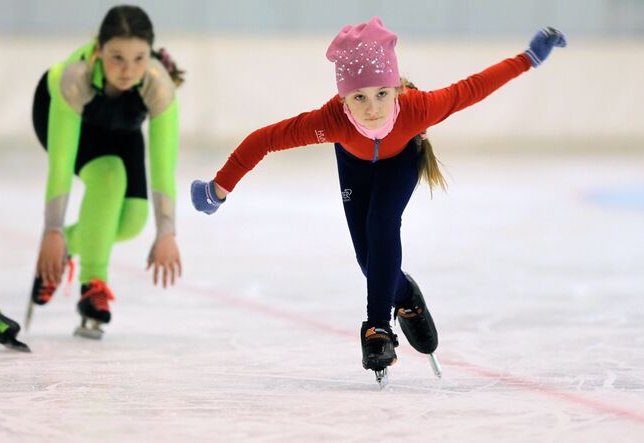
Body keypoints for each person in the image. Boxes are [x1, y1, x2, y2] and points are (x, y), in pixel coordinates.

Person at [190, 17, 566, 378]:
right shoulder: (331, 121)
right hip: (354, 166)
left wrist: (529, 58)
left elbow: (473, 88)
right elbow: (265, 140)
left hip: (400, 162)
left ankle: (377, 328)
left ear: (396, 89)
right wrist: (218, 189)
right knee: (370, 264)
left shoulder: (418, 108)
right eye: (359, 97)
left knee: (382, 223)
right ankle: (404, 295)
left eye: (382, 94)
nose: (372, 108)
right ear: (343, 98)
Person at [31, 5, 183, 333]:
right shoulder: (74, 78)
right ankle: (93, 286)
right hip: (63, 115)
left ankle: (68, 248)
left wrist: (167, 231)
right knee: (108, 175)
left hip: (119, 127)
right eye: (117, 57)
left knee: (131, 221)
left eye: (139, 58)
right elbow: (59, 165)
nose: (127, 71)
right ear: (98, 50)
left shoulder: (158, 85)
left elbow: (163, 167)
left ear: (151, 55)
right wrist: (51, 230)